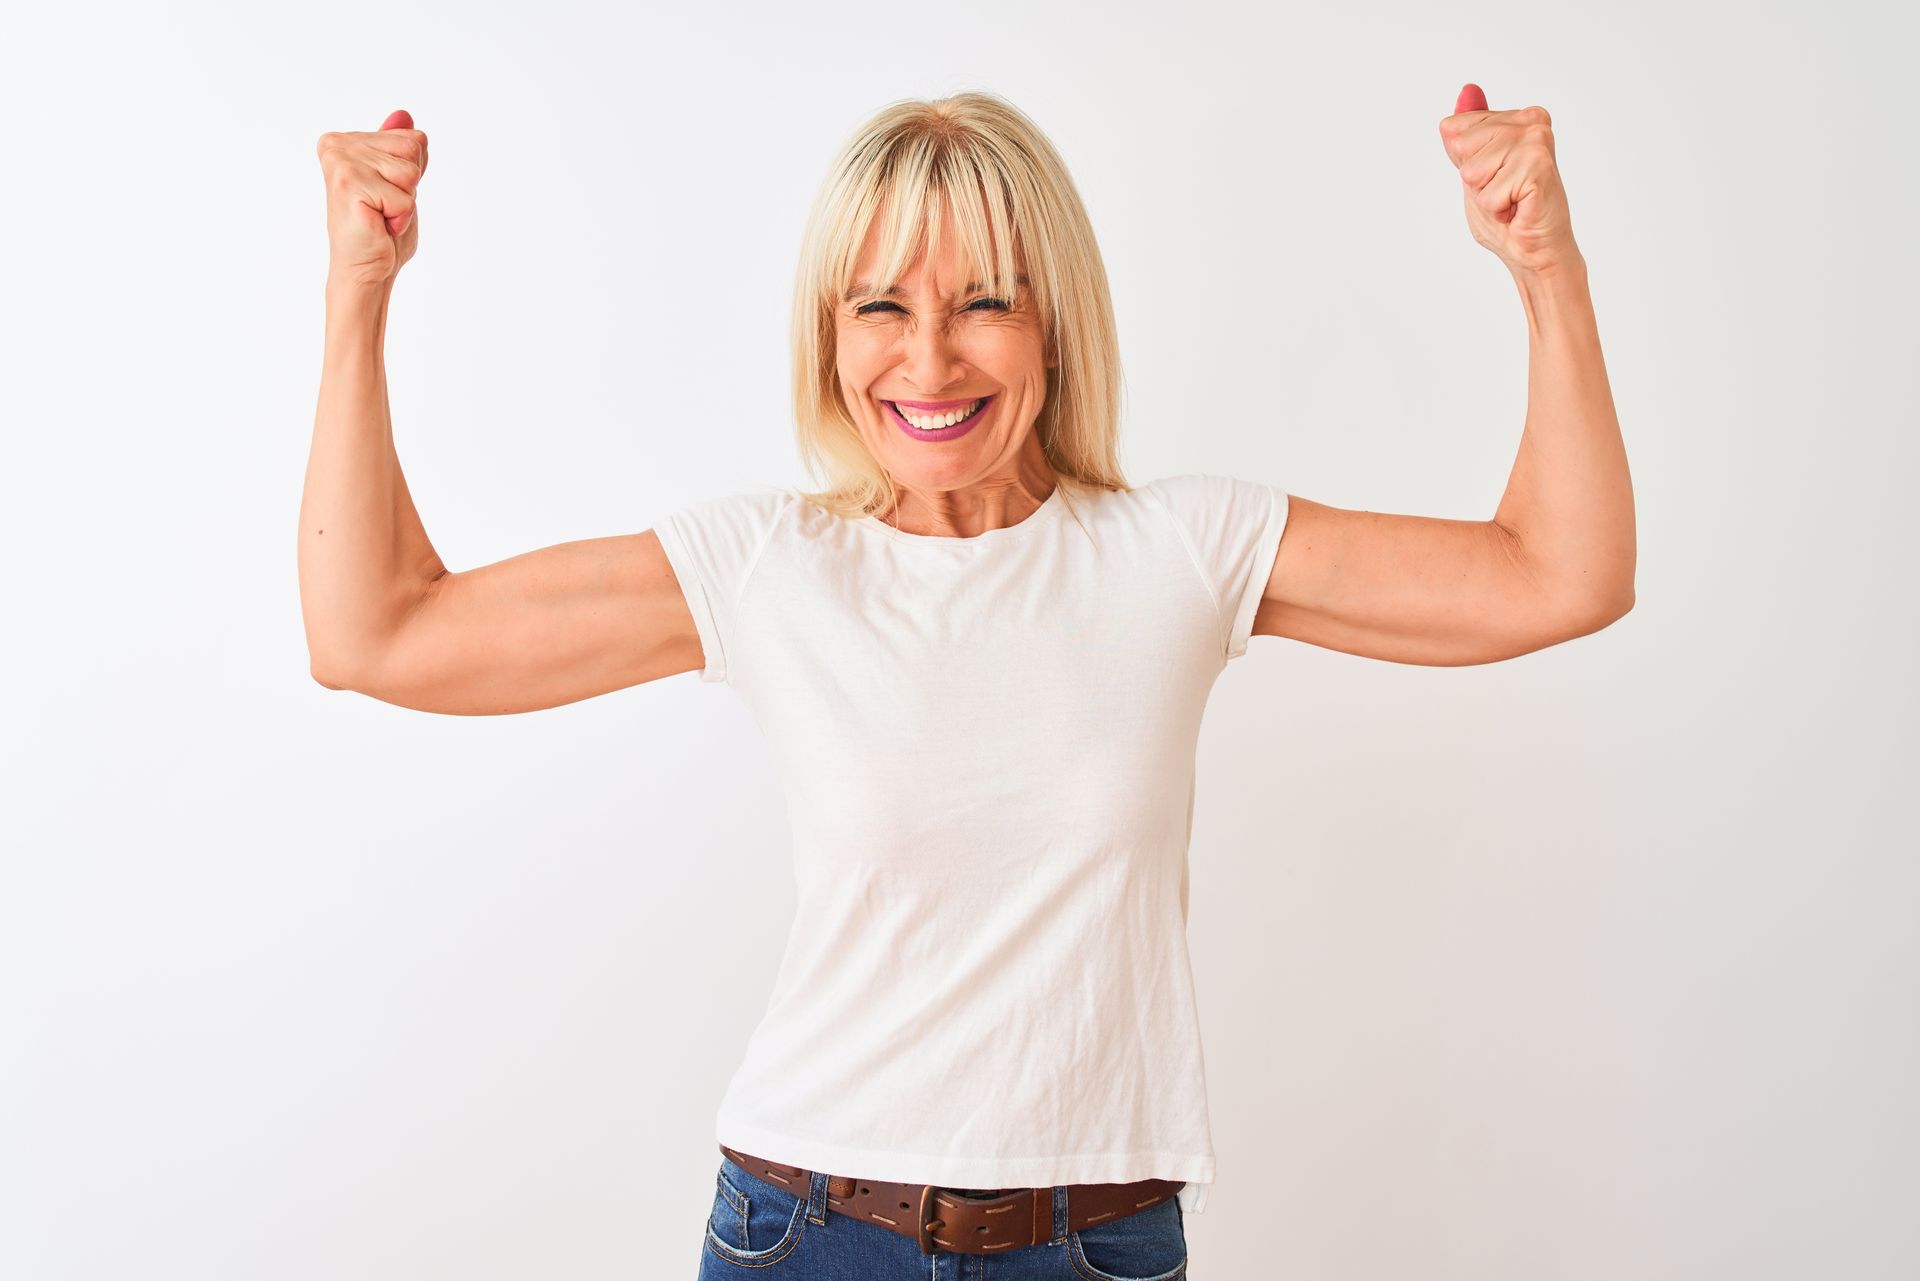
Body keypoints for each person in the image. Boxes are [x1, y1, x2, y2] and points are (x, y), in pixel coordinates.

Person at [301, 86, 1634, 1280]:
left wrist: (1546, 268)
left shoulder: (1183, 552)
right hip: (804, 1236)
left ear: (1057, 323)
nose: (929, 361)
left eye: (985, 302)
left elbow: (1557, 574)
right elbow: (378, 632)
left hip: (1097, 1247)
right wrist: (360, 293)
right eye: (880, 305)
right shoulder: (768, 565)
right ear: (830, 333)